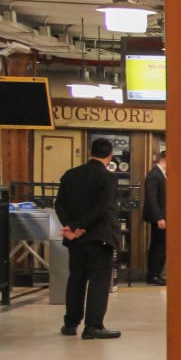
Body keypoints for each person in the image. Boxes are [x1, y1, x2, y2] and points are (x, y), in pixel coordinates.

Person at [55, 138, 123, 339]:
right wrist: (79, 227)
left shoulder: (70, 175)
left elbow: (59, 204)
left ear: (90, 152)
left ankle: (70, 323)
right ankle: (93, 325)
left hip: (75, 239)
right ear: (110, 155)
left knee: (76, 278)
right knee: (99, 282)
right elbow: (102, 208)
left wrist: (70, 227)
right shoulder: (107, 178)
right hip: (99, 236)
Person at [142, 150, 167, 285]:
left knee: (159, 245)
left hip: (161, 216)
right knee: (159, 246)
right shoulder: (154, 175)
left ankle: (155, 274)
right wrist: (159, 217)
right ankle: (154, 275)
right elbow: (152, 199)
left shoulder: (161, 175)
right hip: (159, 217)